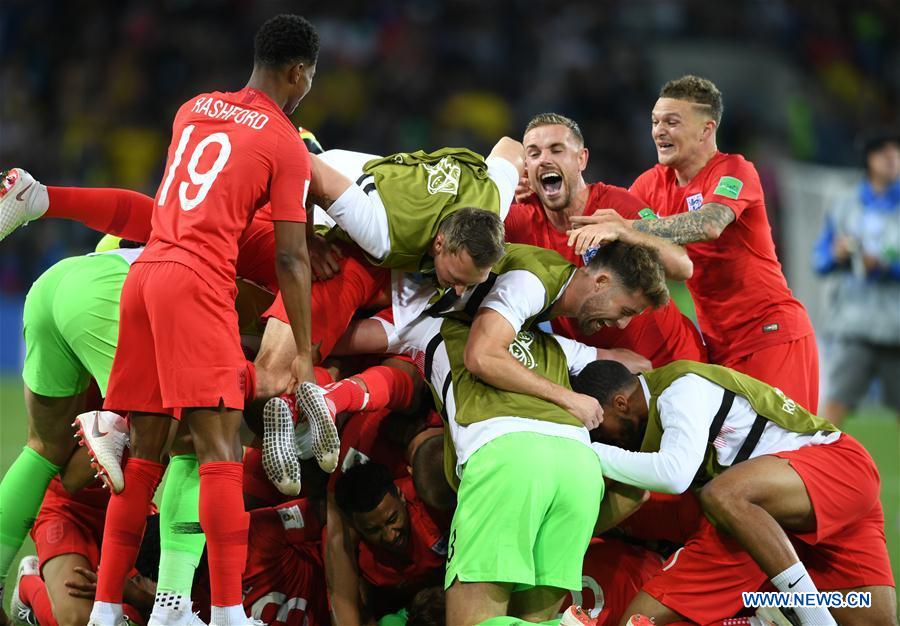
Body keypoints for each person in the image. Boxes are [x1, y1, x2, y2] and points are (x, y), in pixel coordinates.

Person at [87, 15, 319, 626]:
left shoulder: (193, 108)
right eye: (308, 80)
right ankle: (225, 613)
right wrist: (306, 352)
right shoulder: (284, 140)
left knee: (144, 457)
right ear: (298, 73)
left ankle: (105, 610)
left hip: (146, 274)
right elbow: (293, 256)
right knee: (219, 452)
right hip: (196, 284)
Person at [574, 359, 896, 626]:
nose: (605, 440)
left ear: (621, 403)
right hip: (771, 512)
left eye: (602, 430)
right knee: (873, 618)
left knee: (722, 495)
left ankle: (811, 619)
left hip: (833, 469)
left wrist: (588, 453)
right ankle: (765, 614)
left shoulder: (681, 390)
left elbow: (675, 475)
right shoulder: (657, 417)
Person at [570, 75, 819, 411]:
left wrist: (629, 226)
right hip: (716, 343)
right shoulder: (651, 184)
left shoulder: (734, 171)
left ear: (706, 129)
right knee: (728, 456)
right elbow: (611, 222)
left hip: (769, 333)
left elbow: (710, 222)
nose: (659, 131)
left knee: (782, 450)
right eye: (655, 121)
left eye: (672, 122)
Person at [507, 112, 706, 367]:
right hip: (603, 378)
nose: (544, 159)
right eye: (534, 154)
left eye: (556, 150)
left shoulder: (615, 205)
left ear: (581, 159)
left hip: (671, 362)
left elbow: (682, 266)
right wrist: (505, 185)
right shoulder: (522, 222)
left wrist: (624, 231)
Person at [812, 130, 900, 425]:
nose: (892, 157)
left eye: (896, 151)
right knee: (832, 411)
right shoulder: (845, 204)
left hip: (896, 326)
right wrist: (836, 255)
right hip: (854, 325)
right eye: (883, 150)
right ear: (869, 158)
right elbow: (819, 260)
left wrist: (888, 266)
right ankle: (815, 470)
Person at [329, 461, 451, 625]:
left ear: (401, 496)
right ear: (355, 527)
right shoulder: (351, 553)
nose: (390, 536)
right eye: (373, 530)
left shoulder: (432, 498)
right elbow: (361, 612)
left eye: (392, 519)